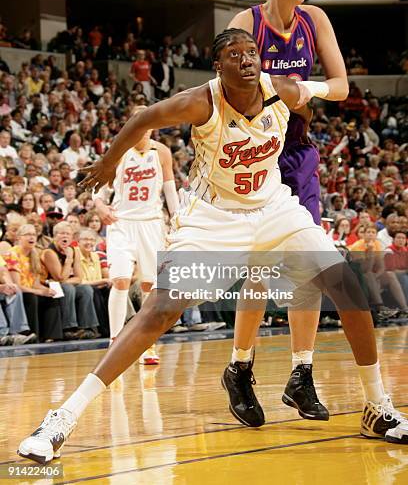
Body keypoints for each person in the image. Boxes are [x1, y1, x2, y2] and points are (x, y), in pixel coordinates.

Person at [18, 31, 407, 463]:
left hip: (273, 207)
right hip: (213, 217)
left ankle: (377, 408)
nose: (245, 60)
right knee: (161, 309)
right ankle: (63, 417)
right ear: (218, 67)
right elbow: (143, 117)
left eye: (251, 52)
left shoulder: (285, 91)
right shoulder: (200, 102)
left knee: (345, 283)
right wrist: (109, 163)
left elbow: (326, 95)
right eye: (233, 55)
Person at [227, 0, 349, 420]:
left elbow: (340, 87)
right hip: (254, 155)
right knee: (258, 269)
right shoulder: (245, 22)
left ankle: (302, 373)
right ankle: (240, 367)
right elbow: (230, 91)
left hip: (296, 154)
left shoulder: (314, 19)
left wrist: (301, 90)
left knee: (309, 265)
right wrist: (272, 92)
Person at [93, 106, 179, 364]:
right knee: (120, 281)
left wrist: (176, 220)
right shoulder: (118, 150)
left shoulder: (162, 152)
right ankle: (115, 341)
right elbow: (98, 186)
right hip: (121, 222)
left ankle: (146, 344)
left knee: (150, 286)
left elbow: (170, 190)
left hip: (152, 223)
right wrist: (99, 205)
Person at [5, 225, 63, 342]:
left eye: (34, 235)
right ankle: (31, 334)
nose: (31, 237)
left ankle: (51, 336)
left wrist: (46, 291)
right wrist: (39, 292)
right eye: (28, 234)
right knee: (32, 297)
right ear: (19, 238)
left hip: (31, 290)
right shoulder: (12, 254)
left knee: (52, 296)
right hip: (17, 292)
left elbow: (35, 284)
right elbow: (16, 285)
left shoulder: (35, 255)